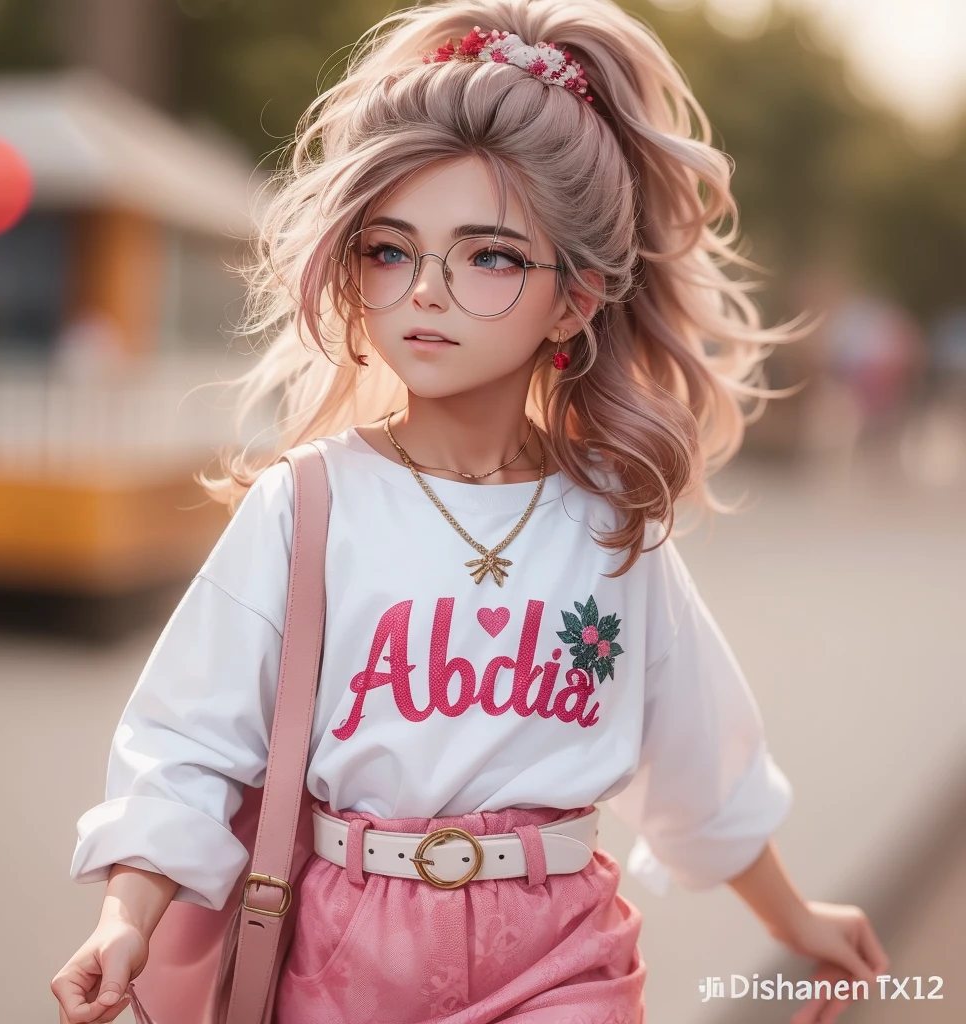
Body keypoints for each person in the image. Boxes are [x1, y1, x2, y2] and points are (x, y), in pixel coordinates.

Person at [51, 2, 889, 1022]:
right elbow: (185, 742)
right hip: (336, 952)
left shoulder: (609, 526)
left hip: (560, 954)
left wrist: (793, 916)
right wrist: (124, 918)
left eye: (488, 256)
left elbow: (699, 753)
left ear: (574, 300)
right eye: (390, 251)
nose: (426, 292)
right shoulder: (308, 504)